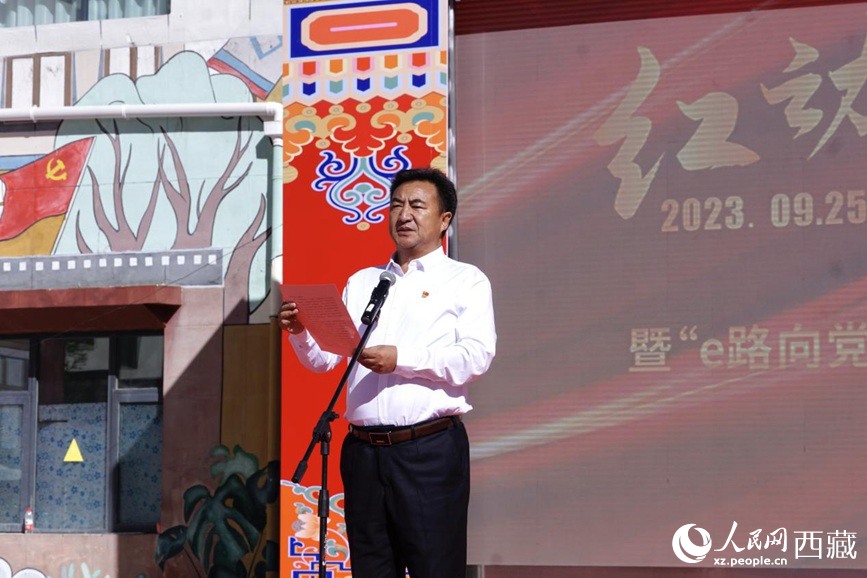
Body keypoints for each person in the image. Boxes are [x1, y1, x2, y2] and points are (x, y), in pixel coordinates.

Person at [279, 167, 496, 578]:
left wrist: (401, 359)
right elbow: (327, 360)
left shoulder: (465, 280)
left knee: (435, 567)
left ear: (444, 219)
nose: (404, 215)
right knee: (372, 567)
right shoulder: (364, 282)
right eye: (396, 205)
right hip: (362, 453)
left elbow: (475, 357)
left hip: (428, 450)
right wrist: (301, 332)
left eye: (417, 205)